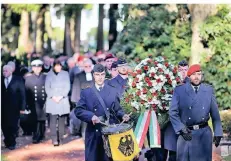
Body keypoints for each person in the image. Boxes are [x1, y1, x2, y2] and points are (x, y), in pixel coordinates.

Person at [74, 64, 130, 161]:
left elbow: (117, 109)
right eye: (97, 75)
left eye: (102, 74)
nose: (100, 77)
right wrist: (91, 116)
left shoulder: (112, 91)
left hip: (110, 132)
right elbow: (78, 110)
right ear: (93, 75)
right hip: (93, 132)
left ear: (105, 75)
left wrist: (123, 115)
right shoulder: (86, 92)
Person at [169, 64, 223, 161]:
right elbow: (173, 113)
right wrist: (181, 128)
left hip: (204, 134)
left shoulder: (208, 90)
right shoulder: (180, 90)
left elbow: (215, 114)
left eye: (199, 74)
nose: (197, 77)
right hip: (186, 134)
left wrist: (218, 132)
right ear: (189, 76)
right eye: (194, 74)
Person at [164, 60, 190, 161]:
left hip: (187, 123)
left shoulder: (192, 83)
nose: (183, 72)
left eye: (185, 70)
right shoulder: (170, 83)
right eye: (180, 70)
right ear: (176, 70)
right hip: (172, 123)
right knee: (173, 152)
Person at [45, 59, 71, 146]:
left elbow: (67, 86)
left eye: (59, 65)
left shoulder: (65, 74)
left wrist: (61, 96)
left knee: (61, 121)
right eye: (56, 66)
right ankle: (54, 139)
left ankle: (61, 138)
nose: (58, 67)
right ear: (54, 66)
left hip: (62, 100)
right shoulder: (49, 74)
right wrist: (52, 96)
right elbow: (47, 87)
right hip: (52, 100)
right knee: (52, 121)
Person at [1, 65, 26, 150]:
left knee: (13, 125)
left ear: (11, 71)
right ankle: (7, 140)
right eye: (3, 71)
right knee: (4, 125)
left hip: (14, 107)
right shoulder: (1, 80)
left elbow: (23, 94)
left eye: (6, 71)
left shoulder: (18, 79)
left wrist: (22, 108)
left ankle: (12, 142)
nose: (4, 72)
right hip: (3, 108)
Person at [70, 58, 94, 138]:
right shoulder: (78, 76)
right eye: (86, 66)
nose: (88, 68)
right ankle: (85, 135)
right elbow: (76, 89)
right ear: (83, 67)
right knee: (85, 121)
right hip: (84, 102)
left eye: (89, 66)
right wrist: (77, 102)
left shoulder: (96, 74)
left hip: (95, 102)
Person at [25, 59, 47, 143]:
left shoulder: (45, 77)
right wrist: (26, 104)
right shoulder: (29, 78)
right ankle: (36, 136)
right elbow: (26, 91)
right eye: (35, 67)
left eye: (39, 67)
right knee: (35, 120)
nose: (37, 69)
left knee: (42, 119)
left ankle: (41, 134)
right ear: (32, 68)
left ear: (41, 68)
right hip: (33, 102)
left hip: (43, 102)